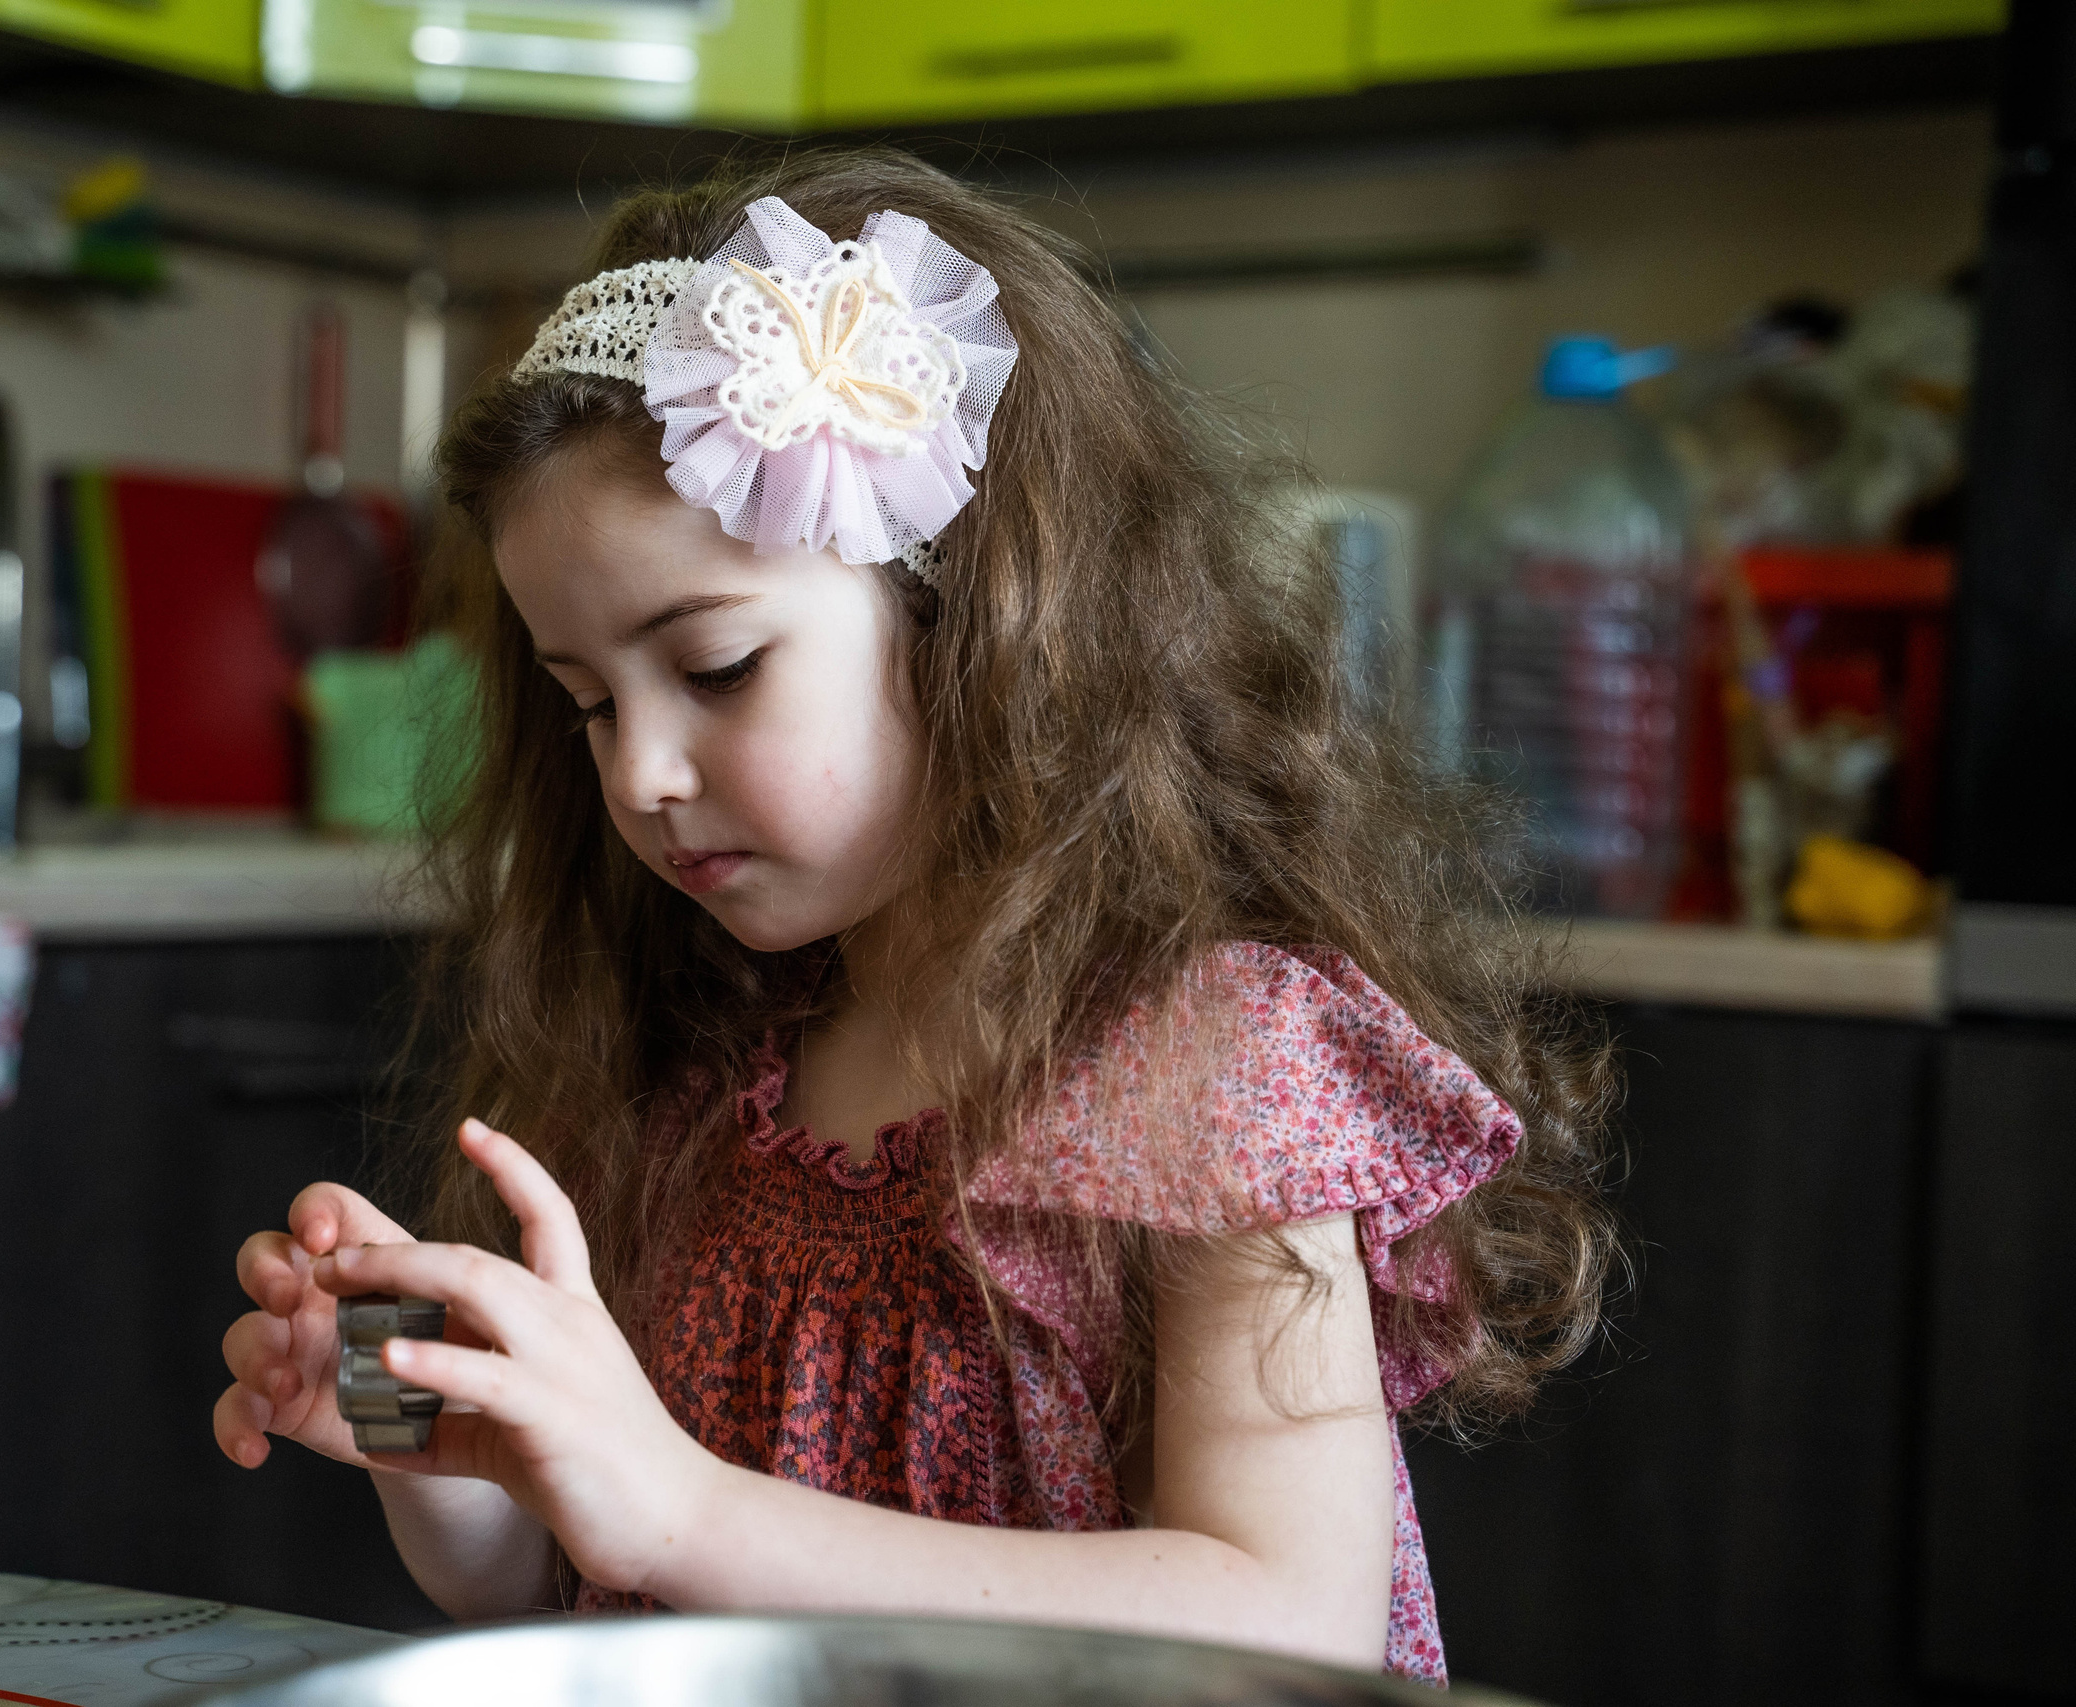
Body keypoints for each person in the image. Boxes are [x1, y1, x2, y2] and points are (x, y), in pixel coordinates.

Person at [214, 148, 1614, 1685]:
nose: (643, 773)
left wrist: (679, 1507)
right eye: (586, 706)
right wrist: (439, 1424)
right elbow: (562, 1589)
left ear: (976, 623)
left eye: (720, 667)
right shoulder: (690, 1058)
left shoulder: (1208, 1062)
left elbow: (1291, 1623)